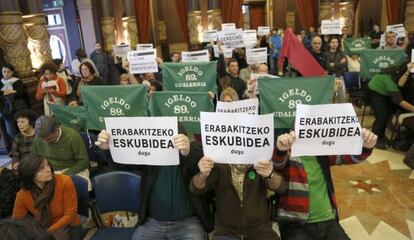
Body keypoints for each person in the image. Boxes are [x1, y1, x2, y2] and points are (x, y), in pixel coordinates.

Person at [95, 129, 214, 240]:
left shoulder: (190, 152)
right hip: (153, 223)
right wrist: (108, 149)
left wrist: (188, 151)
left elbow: (201, 158)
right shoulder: (149, 156)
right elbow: (123, 164)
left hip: (187, 223)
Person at [273, 128, 378, 240]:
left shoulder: (322, 150)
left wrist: (366, 147)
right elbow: (276, 163)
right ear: (292, 131)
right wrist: (280, 149)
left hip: (328, 220)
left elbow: (349, 157)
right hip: (295, 223)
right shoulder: (287, 152)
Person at [191, 154, 285, 240]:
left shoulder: (259, 162)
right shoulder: (219, 163)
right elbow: (195, 188)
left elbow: (281, 187)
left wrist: (271, 174)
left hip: (261, 231)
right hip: (226, 232)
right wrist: (203, 174)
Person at [12, 154, 81, 240]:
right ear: (29, 174)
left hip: (69, 225)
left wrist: (45, 233)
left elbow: (70, 215)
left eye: (48, 165)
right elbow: (16, 221)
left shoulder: (64, 182)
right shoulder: (23, 194)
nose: (48, 170)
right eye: (41, 169)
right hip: (42, 228)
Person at [31, 116, 90, 185]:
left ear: (57, 130)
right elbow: (35, 159)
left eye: (49, 139)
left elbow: (84, 161)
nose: (46, 142)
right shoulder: (38, 138)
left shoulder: (72, 136)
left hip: (73, 168)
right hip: (49, 169)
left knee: (77, 187)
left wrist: (64, 175)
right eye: (42, 139)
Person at [368, 65, 414, 149]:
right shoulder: (389, 79)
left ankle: (381, 136)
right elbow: (399, 101)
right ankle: (374, 139)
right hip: (374, 93)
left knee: (387, 115)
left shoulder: (398, 73)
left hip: (384, 93)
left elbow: (400, 84)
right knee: (381, 117)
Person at [0, 63, 29, 141]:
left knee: (24, 128)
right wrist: (10, 92)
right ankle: (18, 145)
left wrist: (6, 93)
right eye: (4, 71)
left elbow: (21, 93)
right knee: (10, 131)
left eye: (8, 72)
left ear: (12, 72)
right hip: (6, 110)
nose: (6, 74)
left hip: (18, 108)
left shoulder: (17, 81)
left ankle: (27, 145)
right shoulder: (0, 82)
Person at [324, 36, 347, 103]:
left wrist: (334, 64)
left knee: (342, 97)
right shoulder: (326, 54)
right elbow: (328, 67)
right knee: (330, 98)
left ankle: (341, 113)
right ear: (329, 44)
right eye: (332, 42)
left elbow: (345, 65)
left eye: (336, 42)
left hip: (339, 77)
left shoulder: (341, 53)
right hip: (329, 78)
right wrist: (340, 63)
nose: (335, 44)